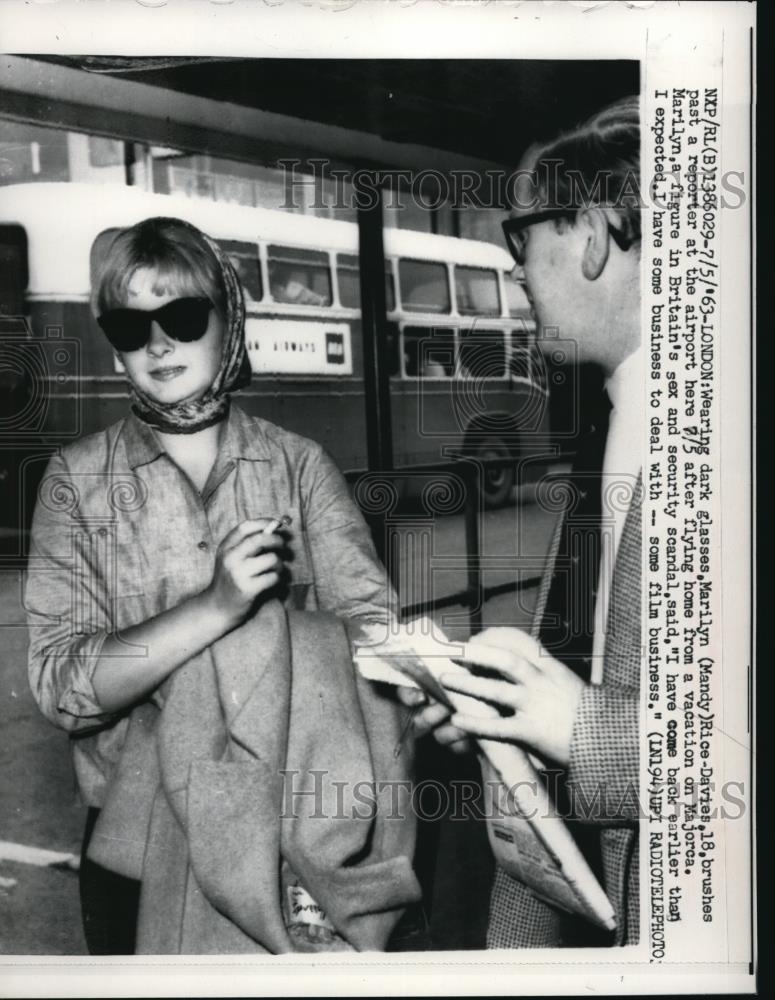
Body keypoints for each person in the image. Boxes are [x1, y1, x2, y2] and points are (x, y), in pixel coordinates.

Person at [24, 217, 401, 954]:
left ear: (229, 319)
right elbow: (62, 688)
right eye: (131, 326)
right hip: (136, 844)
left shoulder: (298, 465)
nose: (158, 344)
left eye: (183, 316)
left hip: (292, 833)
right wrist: (216, 608)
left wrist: (427, 676)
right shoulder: (76, 481)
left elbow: (373, 636)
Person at [401, 96, 642, 947]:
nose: (513, 268)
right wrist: (509, 706)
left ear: (592, 233)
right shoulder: (615, 426)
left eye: (519, 236)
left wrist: (580, 729)